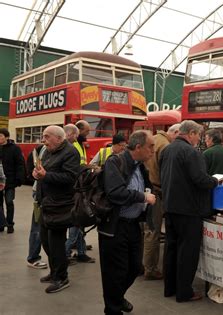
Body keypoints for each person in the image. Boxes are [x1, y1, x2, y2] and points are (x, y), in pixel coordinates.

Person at [159, 120, 218, 302]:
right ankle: (184, 292)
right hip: (189, 209)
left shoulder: (167, 150)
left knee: (172, 248)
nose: (199, 139)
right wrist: (215, 181)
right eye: (198, 135)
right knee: (188, 252)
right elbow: (200, 180)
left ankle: (170, 288)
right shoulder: (192, 152)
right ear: (191, 133)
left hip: (170, 206)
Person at [98, 130, 156, 315]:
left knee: (134, 268)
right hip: (114, 226)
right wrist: (143, 197)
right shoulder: (115, 162)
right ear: (138, 147)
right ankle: (113, 309)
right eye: (150, 146)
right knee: (115, 272)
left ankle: (117, 297)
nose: (153, 151)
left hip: (132, 225)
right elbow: (115, 193)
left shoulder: (139, 166)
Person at [33, 125, 80, 293]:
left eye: (47, 136)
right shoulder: (47, 151)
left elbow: (70, 178)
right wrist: (37, 173)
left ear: (59, 139)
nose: (43, 140)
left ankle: (62, 277)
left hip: (60, 205)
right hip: (46, 203)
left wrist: (46, 175)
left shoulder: (70, 152)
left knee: (57, 243)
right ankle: (54, 272)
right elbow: (43, 170)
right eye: (43, 136)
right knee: (46, 241)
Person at [142, 123, 181, 281]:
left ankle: (142, 264)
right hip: (157, 192)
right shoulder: (165, 145)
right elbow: (167, 174)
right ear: (176, 132)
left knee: (145, 231)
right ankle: (150, 269)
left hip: (145, 189)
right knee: (153, 231)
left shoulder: (155, 139)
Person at [63, 124, 95, 263]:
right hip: (74, 190)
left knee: (80, 222)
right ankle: (65, 254)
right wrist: (89, 168)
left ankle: (81, 253)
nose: (87, 135)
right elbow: (75, 167)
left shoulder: (79, 144)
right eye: (86, 132)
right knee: (76, 223)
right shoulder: (72, 147)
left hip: (80, 188)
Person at [26, 144, 48, 269]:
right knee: (37, 225)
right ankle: (33, 257)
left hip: (42, 192)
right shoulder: (46, 149)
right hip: (39, 194)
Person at [0, 128, 25, 233]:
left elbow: (20, 164)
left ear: (6, 137)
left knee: (9, 202)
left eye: (0, 136)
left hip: (10, 181)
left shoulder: (15, 149)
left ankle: (10, 224)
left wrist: (19, 178)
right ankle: (1, 223)